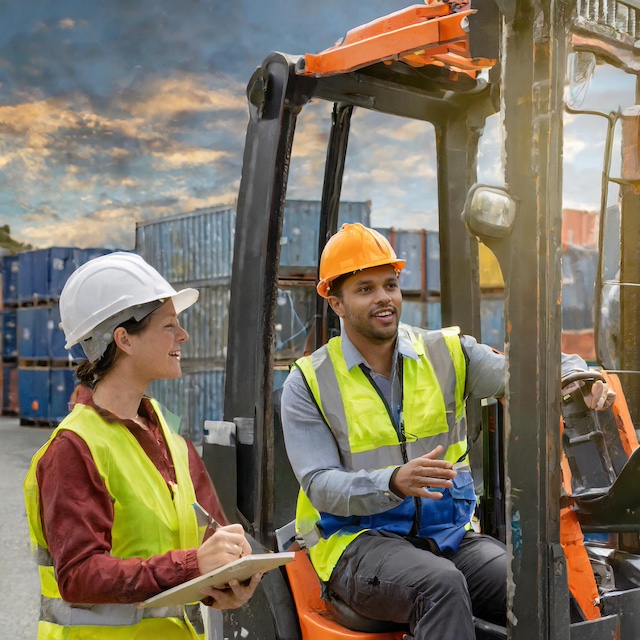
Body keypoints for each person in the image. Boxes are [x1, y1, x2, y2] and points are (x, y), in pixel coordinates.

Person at [280, 223, 615, 639]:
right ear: (336, 303)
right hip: (357, 545)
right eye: (365, 289)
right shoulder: (308, 382)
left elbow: (526, 367)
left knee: (536, 578)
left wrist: (574, 377)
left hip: (449, 537)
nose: (384, 298)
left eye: (390, 285)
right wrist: (393, 483)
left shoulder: (445, 353)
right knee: (439, 585)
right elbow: (320, 484)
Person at [24, 252, 261, 640]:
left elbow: (209, 544)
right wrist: (191, 566)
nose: (182, 336)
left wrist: (229, 578)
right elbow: (79, 575)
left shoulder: (170, 438)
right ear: (124, 339)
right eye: (169, 325)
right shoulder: (74, 448)